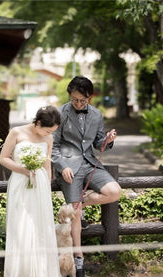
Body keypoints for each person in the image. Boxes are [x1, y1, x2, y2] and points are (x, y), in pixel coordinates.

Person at [51, 76, 121, 277]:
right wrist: (62, 166)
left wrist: (108, 140)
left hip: (90, 163)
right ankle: (78, 259)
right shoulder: (61, 113)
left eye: (83, 100)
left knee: (114, 192)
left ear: (90, 97)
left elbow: (99, 144)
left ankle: (78, 210)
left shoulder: (97, 115)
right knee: (75, 208)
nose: (79, 104)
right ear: (70, 96)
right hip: (69, 167)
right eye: (75, 100)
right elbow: (53, 147)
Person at [0, 105, 62, 277]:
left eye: (53, 131)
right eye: (48, 130)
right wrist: (22, 170)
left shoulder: (48, 139)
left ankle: (42, 271)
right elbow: (3, 158)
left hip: (40, 185)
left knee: (40, 227)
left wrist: (47, 190)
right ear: (38, 123)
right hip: (20, 183)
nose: (49, 134)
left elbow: (47, 165)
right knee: (21, 225)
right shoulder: (16, 132)